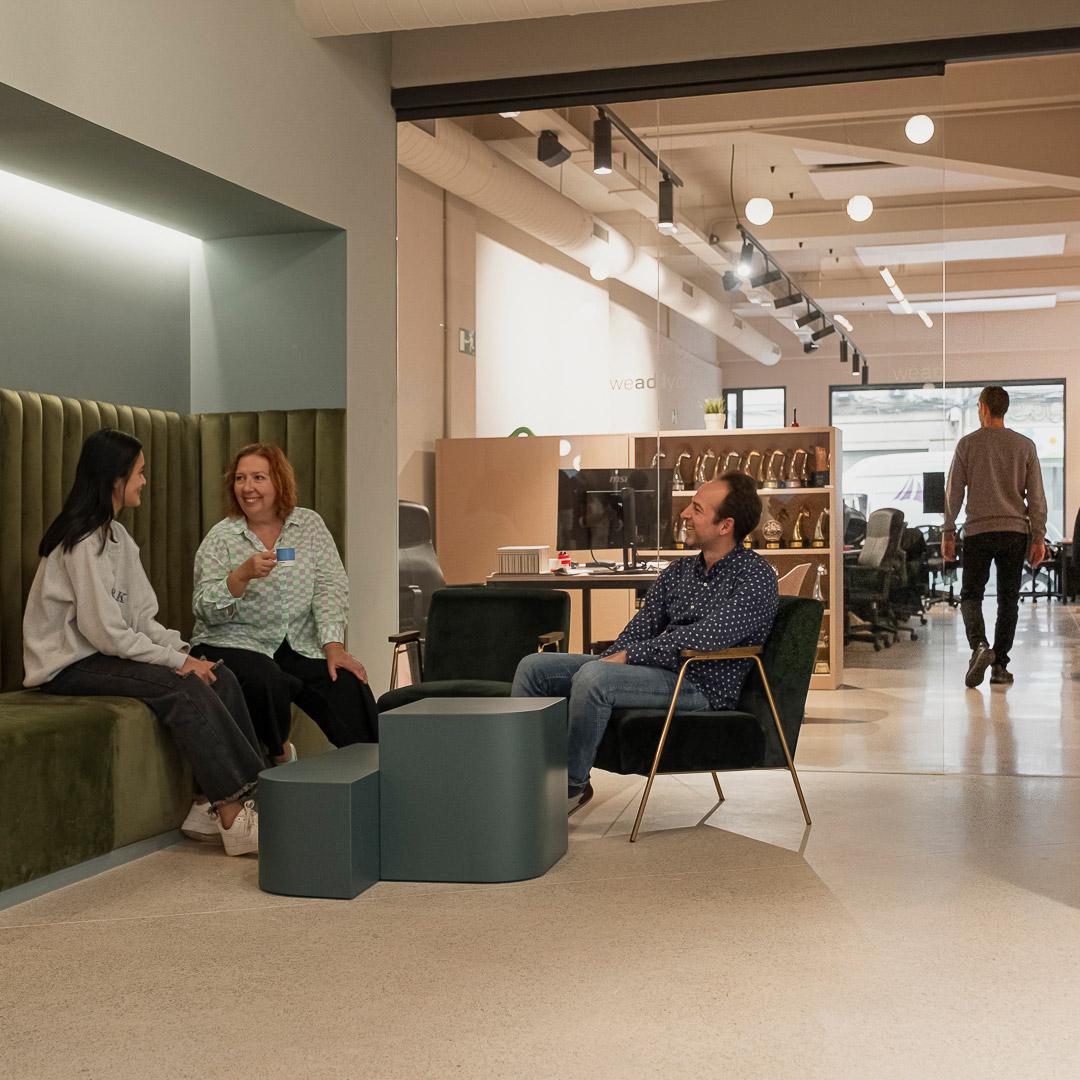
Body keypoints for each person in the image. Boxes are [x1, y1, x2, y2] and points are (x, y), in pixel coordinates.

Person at [23, 429, 263, 855]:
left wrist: (187, 654)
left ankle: (210, 805)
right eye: (140, 472)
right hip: (68, 666)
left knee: (217, 676)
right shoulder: (79, 543)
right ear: (115, 479)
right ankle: (234, 812)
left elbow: (141, 620)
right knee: (182, 687)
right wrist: (176, 665)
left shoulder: (118, 539)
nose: (144, 481)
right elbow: (106, 633)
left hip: (105, 654)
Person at [513, 472, 779, 813]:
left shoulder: (754, 576)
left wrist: (626, 658)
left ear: (725, 525)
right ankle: (523, 778)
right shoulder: (678, 572)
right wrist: (613, 655)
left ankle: (569, 788)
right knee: (534, 668)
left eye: (696, 509)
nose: (684, 515)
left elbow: (709, 636)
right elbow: (639, 628)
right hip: (658, 669)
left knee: (595, 679)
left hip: (699, 683)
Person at [191, 443, 378, 763]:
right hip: (233, 641)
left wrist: (333, 645)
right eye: (240, 478)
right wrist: (240, 577)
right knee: (267, 680)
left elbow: (330, 586)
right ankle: (278, 756)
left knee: (348, 683)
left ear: (279, 482)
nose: (247, 488)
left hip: (297, 643)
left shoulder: (309, 526)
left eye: (258, 478)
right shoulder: (221, 538)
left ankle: (375, 772)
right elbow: (204, 608)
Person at [942, 385, 1047, 688]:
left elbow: (954, 494)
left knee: (971, 595)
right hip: (1015, 532)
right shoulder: (1024, 446)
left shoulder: (967, 444)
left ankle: (979, 647)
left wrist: (948, 532)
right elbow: (1037, 498)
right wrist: (1038, 538)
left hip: (978, 531)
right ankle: (1000, 665)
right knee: (1008, 600)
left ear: (984, 408)